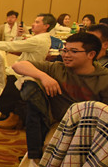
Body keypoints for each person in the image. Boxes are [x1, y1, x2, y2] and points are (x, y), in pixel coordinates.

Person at [11, 31, 108, 160]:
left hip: (89, 129)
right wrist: (44, 77)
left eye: (73, 51)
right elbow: (18, 65)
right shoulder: (58, 69)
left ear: (91, 54)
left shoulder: (104, 78)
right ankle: (35, 156)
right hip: (59, 125)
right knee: (29, 90)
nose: (66, 55)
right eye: (65, 50)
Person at [0, 13, 55, 125]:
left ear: (46, 26)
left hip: (24, 72)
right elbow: (18, 44)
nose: (33, 24)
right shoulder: (42, 38)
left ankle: (7, 112)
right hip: (24, 68)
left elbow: (12, 46)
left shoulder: (38, 40)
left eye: (37, 22)